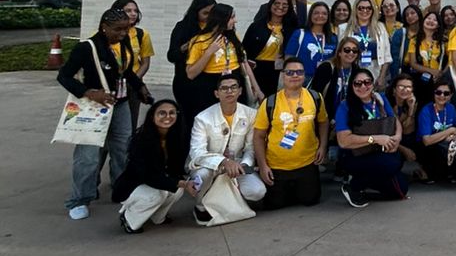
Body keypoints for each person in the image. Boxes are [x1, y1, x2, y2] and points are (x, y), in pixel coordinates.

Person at [58, 7, 150, 221]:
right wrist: (89, 92)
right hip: (93, 107)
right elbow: (64, 76)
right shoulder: (86, 48)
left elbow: (124, 71)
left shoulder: (122, 44)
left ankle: (121, 187)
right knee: (88, 156)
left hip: (120, 104)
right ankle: (80, 199)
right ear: (104, 27)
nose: (123, 33)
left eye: (126, 29)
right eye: (118, 29)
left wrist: (140, 86)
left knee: (123, 148)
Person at [187, 71, 266, 223]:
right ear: (217, 93)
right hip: (209, 166)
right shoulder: (202, 118)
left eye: (233, 87)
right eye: (224, 88)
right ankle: (200, 206)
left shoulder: (251, 114)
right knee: (201, 177)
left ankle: (229, 201)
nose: (229, 91)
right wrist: (223, 162)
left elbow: (250, 148)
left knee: (257, 191)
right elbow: (197, 152)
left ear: (240, 91)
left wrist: (243, 166)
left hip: (237, 164)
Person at [252, 57, 329, 209]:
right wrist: (262, 166)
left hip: (307, 163)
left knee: (310, 199)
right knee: (275, 204)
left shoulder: (315, 97)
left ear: (304, 75)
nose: (295, 76)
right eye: (290, 72)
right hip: (277, 166)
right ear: (283, 75)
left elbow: (323, 122)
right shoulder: (270, 102)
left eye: (299, 72)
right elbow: (258, 136)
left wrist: (322, 147)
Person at [112, 99, 192, 233]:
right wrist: (180, 182)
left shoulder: (178, 137)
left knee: (177, 190)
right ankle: (129, 220)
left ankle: (158, 217)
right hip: (134, 185)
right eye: (162, 113)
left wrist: (185, 182)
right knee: (158, 194)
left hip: (155, 181)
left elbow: (176, 169)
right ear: (152, 116)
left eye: (172, 113)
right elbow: (147, 175)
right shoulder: (141, 140)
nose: (167, 117)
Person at [334, 69, 408, 206]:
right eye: (358, 83)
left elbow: (394, 120)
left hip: (379, 152)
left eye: (367, 82)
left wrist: (397, 137)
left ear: (373, 84)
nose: (363, 86)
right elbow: (343, 141)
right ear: (352, 85)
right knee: (391, 163)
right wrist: (374, 139)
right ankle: (354, 186)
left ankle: (362, 189)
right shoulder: (345, 106)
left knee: (401, 190)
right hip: (355, 155)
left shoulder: (380, 99)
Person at [182, 3, 258, 123]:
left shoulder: (233, 37)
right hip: (212, 84)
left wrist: (257, 89)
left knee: (236, 119)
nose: (235, 21)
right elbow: (191, 74)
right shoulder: (199, 41)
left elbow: (244, 63)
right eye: (232, 17)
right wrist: (209, 52)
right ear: (221, 19)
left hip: (235, 80)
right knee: (214, 121)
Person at [243, 0, 296, 99]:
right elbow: (244, 49)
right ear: (270, 4)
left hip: (278, 70)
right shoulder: (256, 26)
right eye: (277, 3)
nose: (280, 7)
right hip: (257, 69)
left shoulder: (291, 29)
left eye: (285, 5)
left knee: (274, 100)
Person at [417, 80, 456, 184]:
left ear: (451, 95)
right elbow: (427, 140)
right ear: (434, 93)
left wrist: (452, 134)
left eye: (446, 93)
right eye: (438, 92)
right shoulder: (426, 111)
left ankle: (451, 171)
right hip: (428, 147)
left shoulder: (451, 108)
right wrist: (449, 131)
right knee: (433, 175)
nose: (442, 96)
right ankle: (425, 170)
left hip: (445, 145)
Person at [167, 0, 216, 104]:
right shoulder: (183, 27)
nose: (209, 17)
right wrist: (186, 47)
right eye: (205, 13)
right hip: (187, 81)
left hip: (210, 81)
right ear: (196, 12)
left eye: (212, 13)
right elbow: (171, 55)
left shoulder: (216, 28)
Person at [311, 35, 362, 127]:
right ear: (339, 52)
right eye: (347, 50)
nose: (351, 53)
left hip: (348, 118)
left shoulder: (357, 70)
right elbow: (316, 94)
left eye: (355, 51)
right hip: (326, 118)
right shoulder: (326, 68)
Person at [286, 0, 337, 80]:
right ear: (310, 15)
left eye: (324, 13)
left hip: (324, 80)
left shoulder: (333, 38)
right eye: (316, 13)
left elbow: (335, 59)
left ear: (328, 17)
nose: (320, 16)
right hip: (301, 78)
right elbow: (289, 57)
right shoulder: (299, 34)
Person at [390, 72, 424, 178]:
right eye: (401, 86)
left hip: (406, 138)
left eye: (409, 87)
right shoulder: (387, 104)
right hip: (390, 141)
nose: (405, 90)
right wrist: (404, 150)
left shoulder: (412, 102)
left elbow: (408, 128)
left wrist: (411, 109)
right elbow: (389, 132)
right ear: (394, 89)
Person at [111, 0, 154, 79]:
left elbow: (145, 63)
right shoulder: (104, 33)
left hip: (133, 79)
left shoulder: (142, 34)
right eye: (128, 11)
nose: (133, 14)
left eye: (136, 11)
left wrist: (134, 81)